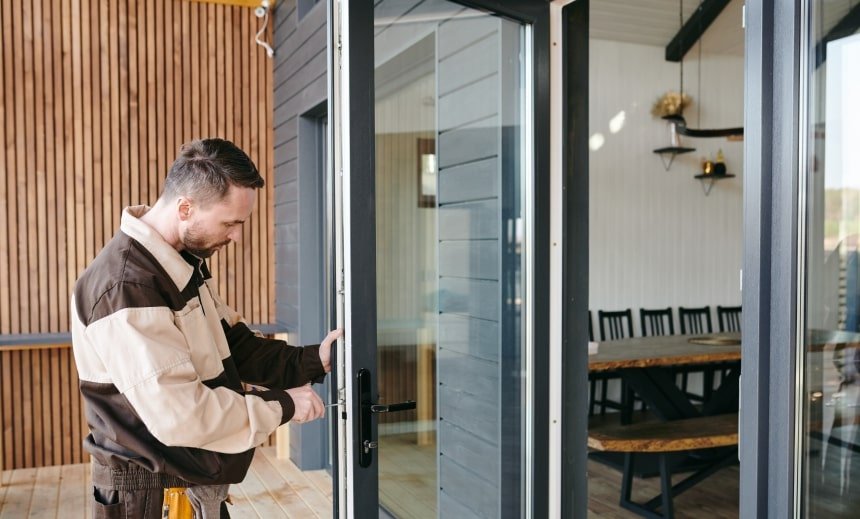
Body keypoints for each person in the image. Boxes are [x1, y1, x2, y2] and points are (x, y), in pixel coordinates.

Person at [70, 138, 341, 518]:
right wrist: (282, 406)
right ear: (185, 207)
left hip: (188, 484)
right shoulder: (127, 286)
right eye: (230, 223)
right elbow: (182, 415)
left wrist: (313, 360)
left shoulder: (178, 265)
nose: (236, 236)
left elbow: (232, 346)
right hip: (152, 499)